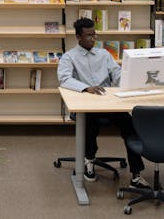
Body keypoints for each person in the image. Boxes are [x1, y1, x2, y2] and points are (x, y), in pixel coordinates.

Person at [57, 18, 150, 189]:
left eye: (94, 34)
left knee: (129, 126)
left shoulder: (104, 54)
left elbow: (117, 74)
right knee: (89, 124)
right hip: (85, 107)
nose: (93, 38)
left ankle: (136, 174)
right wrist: (86, 88)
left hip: (108, 103)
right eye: (88, 35)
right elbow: (64, 79)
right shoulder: (69, 57)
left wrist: (134, 79)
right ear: (78, 37)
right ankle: (89, 160)